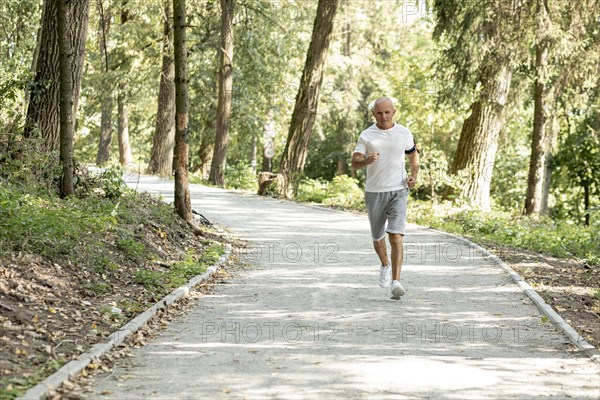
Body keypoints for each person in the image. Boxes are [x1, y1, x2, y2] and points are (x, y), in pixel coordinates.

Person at [351, 97, 419, 300]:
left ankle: (396, 282)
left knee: (396, 236)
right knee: (378, 238)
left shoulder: (404, 132)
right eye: (379, 113)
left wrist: (413, 176)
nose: (384, 117)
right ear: (373, 114)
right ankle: (385, 265)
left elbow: (413, 156)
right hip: (375, 192)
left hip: (398, 189)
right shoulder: (367, 135)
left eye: (387, 112)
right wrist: (365, 160)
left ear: (394, 112)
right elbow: (354, 162)